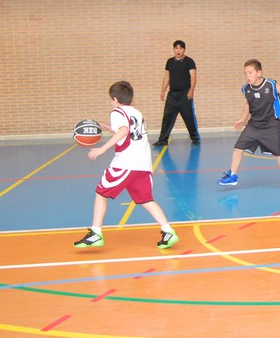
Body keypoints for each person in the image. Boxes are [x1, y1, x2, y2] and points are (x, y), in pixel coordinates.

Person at [74, 81, 179, 249]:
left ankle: (95, 233)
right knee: (145, 199)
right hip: (143, 164)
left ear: (115, 99)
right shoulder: (136, 112)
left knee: (101, 192)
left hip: (125, 163)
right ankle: (168, 231)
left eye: (111, 99)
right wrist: (111, 130)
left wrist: (102, 148)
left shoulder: (117, 111)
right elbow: (130, 133)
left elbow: (123, 131)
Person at [218, 59, 280, 191]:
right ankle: (233, 176)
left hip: (271, 125)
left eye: (250, 72)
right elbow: (248, 104)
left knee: (278, 153)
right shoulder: (246, 89)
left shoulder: (271, 84)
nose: (247, 76)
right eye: (245, 73)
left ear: (259, 73)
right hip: (254, 125)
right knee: (238, 148)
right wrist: (242, 119)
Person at [154, 40, 201, 147]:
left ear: (184, 49)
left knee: (189, 117)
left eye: (180, 48)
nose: (178, 50)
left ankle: (195, 137)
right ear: (174, 49)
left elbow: (193, 77)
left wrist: (191, 91)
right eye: (176, 48)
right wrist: (163, 91)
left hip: (185, 94)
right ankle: (162, 139)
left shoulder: (189, 61)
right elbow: (167, 77)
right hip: (172, 95)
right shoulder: (170, 62)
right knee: (167, 117)